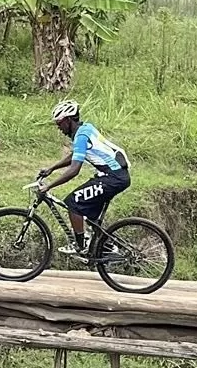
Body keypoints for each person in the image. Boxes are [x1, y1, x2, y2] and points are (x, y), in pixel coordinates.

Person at [35, 99, 130, 257]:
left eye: (60, 123)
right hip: (116, 175)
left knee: (73, 203)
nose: (59, 127)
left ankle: (80, 245)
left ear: (69, 120)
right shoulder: (85, 129)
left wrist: (49, 186)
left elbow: (74, 170)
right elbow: (75, 155)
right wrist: (52, 168)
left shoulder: (81, 136)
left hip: (113, 178)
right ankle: (108, 246)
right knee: (90, 215)